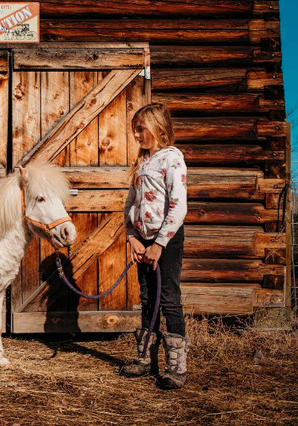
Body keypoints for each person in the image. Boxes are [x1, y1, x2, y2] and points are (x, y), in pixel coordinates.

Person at [120, 103, 189, 390]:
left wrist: (159, 244)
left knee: (169, 298)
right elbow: (130, 204)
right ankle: (145, 359)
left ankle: (176, 367)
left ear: (158, 128)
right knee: (148, 299)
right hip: (143, 241)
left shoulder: (171, 158)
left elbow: (178, 205)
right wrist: (132, 237)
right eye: (134, 129)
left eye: (141, 129)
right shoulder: (142, 162)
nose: (136, 134)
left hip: (166, 241)